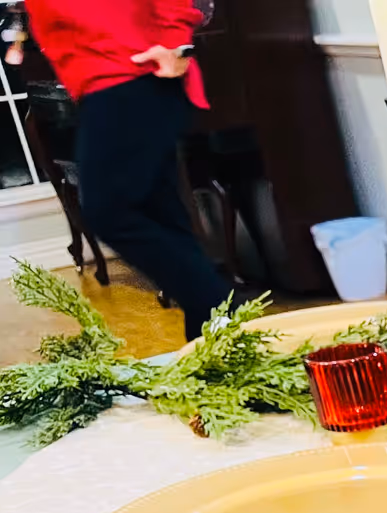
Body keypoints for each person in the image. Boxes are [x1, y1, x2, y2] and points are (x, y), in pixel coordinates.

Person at [12, 0, 230, 338]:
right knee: (163, 216)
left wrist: (176, 42)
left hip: (130, 79)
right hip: (113, 84)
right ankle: (216, 345)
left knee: (109, 214)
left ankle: (218, 306)